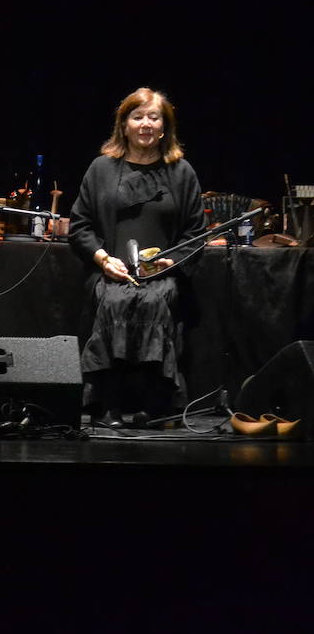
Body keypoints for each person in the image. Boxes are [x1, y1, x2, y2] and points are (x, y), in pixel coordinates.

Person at [68, 87, 204, 427]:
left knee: (155, 301)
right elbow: (80, 225)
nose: (145, 124)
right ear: (124, 124)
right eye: (138, 116)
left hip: (162, 274)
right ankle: (107, 405)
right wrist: (102, 259)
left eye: (153, 117)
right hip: (111, 271)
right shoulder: (101, 169)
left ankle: (156, 406)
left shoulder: (181, 172)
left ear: (164, 127)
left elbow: (197, 232)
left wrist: (171, 262)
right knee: (114, 300)